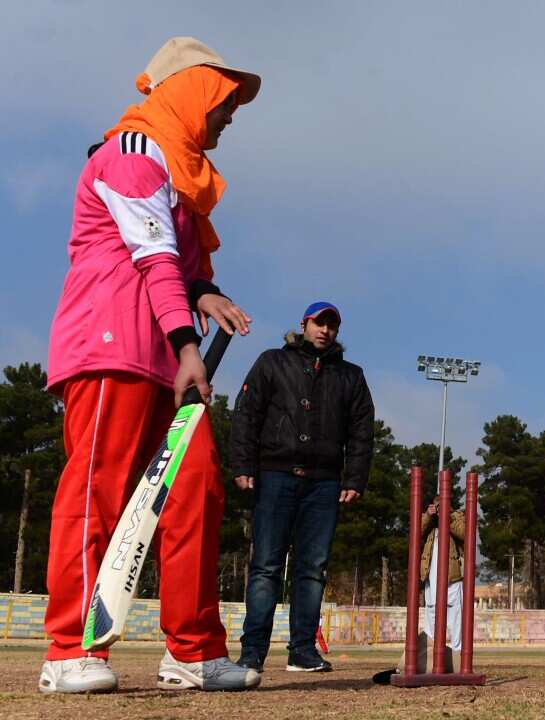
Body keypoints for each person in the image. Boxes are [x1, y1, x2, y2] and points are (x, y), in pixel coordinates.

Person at [40, 36, 261, 693]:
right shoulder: (133, 154)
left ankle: (193, 653)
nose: (230, 115)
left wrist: (205, 294)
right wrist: (190, 344)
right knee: (97, 492)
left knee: (197, 490)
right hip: (113, 348)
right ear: (191, 92)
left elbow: (181, 268)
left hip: (164, 351)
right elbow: (152, 257)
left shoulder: (180, 172)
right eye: (223, 101)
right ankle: (69, 653)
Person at [230, 302, 375, 673]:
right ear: (304, 323)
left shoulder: (351, 376)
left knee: (312, 569)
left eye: (332, 325)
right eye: (319, 322)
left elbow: (362, 431)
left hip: (324, 482)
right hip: (275, 475)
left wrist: (355, 478)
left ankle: (302, 651)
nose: (324, 330)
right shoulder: (272, 361)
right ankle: (252, 652)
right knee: (265, 566)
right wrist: (243, 463)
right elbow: (247, 412)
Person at [398, 496, 466, 674]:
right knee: (431, 611)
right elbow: (415, 532)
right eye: (436, 505)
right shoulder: (429, 524)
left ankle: (457, 655)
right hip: (430, 577)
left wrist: (448, 515)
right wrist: (428, 515)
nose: (439, 508)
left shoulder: (456, 516)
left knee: (456, 614)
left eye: (442, 505)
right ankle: (431, 654)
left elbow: (465, 533)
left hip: (452, 577)